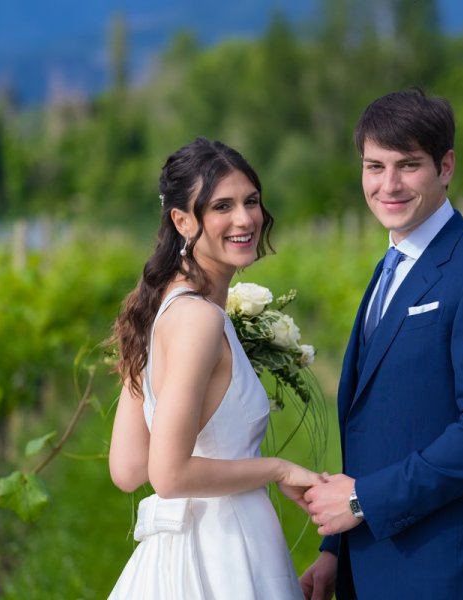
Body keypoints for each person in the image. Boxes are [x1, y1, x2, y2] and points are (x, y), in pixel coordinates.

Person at [300, 89, 463, 600]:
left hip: (449, 565)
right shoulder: (391, 267)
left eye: (407, 165)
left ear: (446, 165)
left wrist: (363, 499)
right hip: (375, 561)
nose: (388, 185)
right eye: (374, 166)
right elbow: (378, 425)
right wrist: (334, 551)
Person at [107, 137, 321, 599]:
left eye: (251, 201)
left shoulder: (157, 308)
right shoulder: (199, 320)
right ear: (182, 221)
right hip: (223, 550)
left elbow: (127, 468)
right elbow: (167, 474)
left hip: (176, 554)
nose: (244, 219)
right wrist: (279, 469)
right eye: (222, 206)